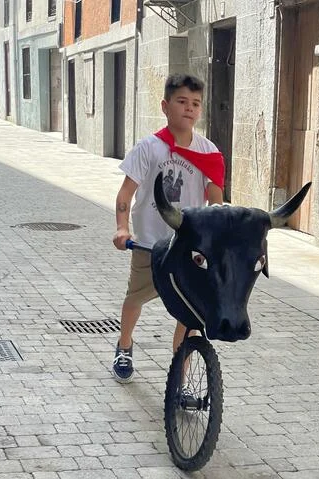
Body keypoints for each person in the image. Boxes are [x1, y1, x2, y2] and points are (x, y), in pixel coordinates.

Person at [111, 73, 224, 383]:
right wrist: (122, 229)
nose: (189, 108)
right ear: (165, 106)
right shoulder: (149, 148)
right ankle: (124, 345)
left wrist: (217, 236)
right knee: (135, 298)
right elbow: (125, 195)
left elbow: (215, 202)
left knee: (189, 314)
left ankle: (180, 376)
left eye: (196, 103)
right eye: (182, 101)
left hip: (188, 247)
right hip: (149, 244)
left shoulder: (208, 152)